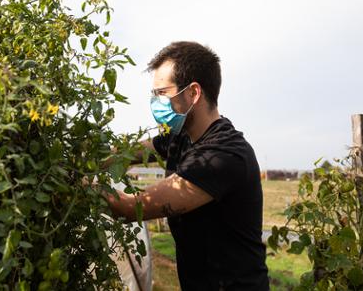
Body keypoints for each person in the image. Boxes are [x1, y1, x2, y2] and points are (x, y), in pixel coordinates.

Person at [106, 41, 269, 290]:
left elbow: (132, 208)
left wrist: (79, 183)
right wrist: (90, 155)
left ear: (193, 93)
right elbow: (128, 153)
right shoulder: (182, 137)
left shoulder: (221, 155)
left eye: (162, 93)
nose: (155, 102)